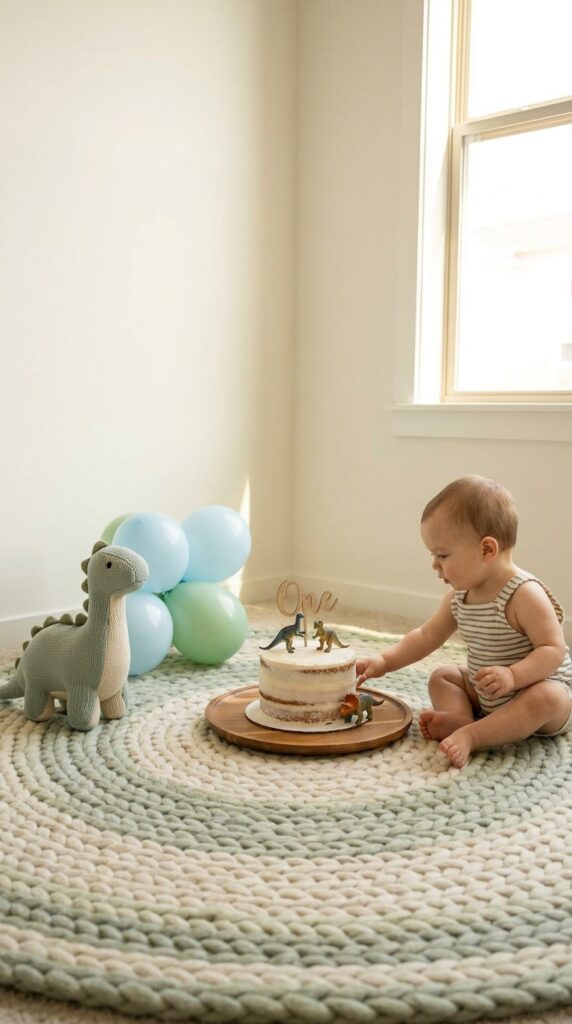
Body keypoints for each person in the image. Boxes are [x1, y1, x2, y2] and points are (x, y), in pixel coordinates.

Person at [356, 476, 572, 768]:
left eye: (442, 555)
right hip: (487, 690)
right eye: (433, 555)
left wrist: (513, 676)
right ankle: (460, 719)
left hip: (535, 688)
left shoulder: (524, 594)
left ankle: (473, 735)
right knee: (442, 676)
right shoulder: (459, 597)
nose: (434, 564)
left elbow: (552, 650)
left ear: (487, 550)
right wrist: (384, 661)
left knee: (547, 697)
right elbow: (426, 636)